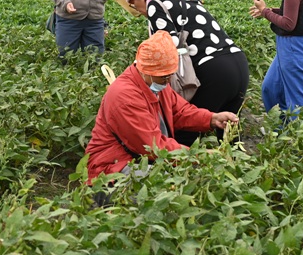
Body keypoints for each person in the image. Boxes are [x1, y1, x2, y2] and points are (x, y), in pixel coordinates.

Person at [83, 30, 239, 185]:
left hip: (139, 157)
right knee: (165, 185)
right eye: (164, 76)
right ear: (146, 71)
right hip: (111, 166)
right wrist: (196, 156)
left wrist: (211, 119)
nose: (169, 80)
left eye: (171, 74)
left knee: (186, 180)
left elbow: (181, 112)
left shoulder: (157, 83)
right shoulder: (124, 96)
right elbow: (152, 146)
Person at [122, 0, 248, 146]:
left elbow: (165, 49)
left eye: (133, 4)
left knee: (184, 134)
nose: (138, 11)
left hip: (214, 71)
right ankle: (237, 171)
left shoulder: (155, 3)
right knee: (228, 137)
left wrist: (136, 76)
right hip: (238, 64)